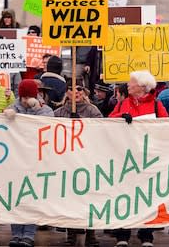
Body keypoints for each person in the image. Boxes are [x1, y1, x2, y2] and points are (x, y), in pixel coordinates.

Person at [109, 70, 167, 247]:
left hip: (148, 158)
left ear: (142, 87)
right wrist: (120, 117)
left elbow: (167, 127)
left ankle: (146, 234)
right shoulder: (122, 104)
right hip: (125, 158)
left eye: (131, 82)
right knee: (123, 194)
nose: (128, 84)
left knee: (147, 196)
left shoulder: (157, 106)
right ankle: (122, 234)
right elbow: (109, 121)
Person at [4, 79, 54, 247]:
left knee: (32, 198)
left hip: (35, 161)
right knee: (16, 197)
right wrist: (8, 114)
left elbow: (48, 123)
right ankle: (16, 234)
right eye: (23, 97)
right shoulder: (13, 106)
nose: (25, 100)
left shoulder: (44, 108)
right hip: (16, 161)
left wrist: (36, 109)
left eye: (28, 97)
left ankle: (29, 235)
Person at [54, 84, 101, 246]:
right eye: (72, 89)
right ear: (67, 92)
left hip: (88, 161)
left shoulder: (92, 110)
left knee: (89, 198)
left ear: (84, 92)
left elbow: (102, 130)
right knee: (69, 199)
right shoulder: (58, 112)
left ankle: (91, 234)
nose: (76, 92)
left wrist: (81, 123)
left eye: (80, 89)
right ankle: (71, 234)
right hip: (66, 162)